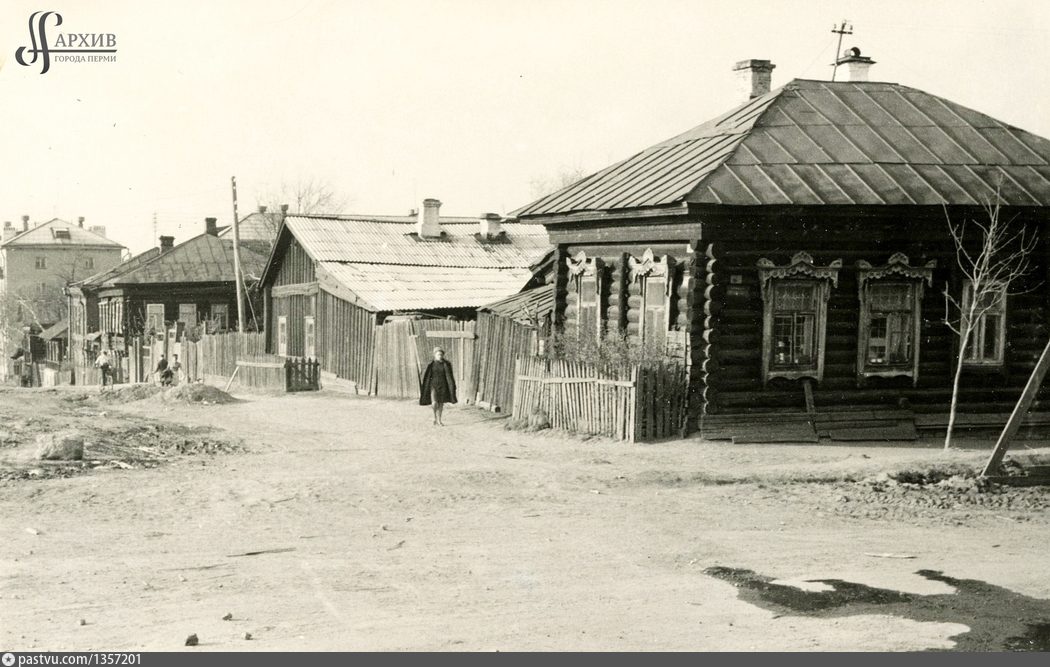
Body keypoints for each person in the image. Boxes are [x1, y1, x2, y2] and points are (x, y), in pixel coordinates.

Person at [419, 346, 457, 426]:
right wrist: (427, 387)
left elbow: (449, 376)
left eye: (441, 354)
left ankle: (439, 420)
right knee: (434, 403)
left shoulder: (446, 364)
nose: (440, 356)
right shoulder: (431, 365)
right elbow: (427, 377)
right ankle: (434, 417)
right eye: (438, 354)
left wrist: (451, 386)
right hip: (433, 386)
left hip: (443, 386)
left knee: (440, 404)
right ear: (435, 355)